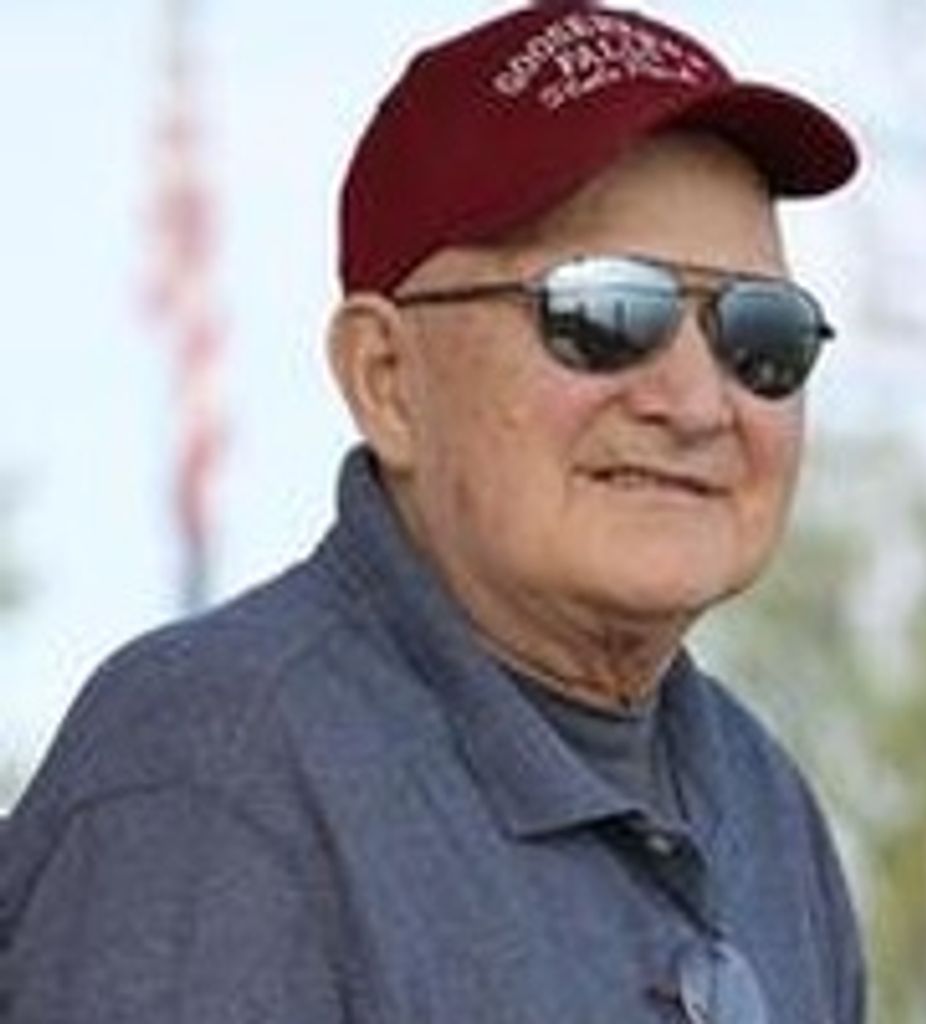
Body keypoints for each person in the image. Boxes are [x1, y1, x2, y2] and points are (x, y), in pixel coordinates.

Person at [1, 2, 865, 1021]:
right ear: (386, 380)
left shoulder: (766, 803)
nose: (696, 402)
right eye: (603, 313)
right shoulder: (216, 782)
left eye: (760, 333)